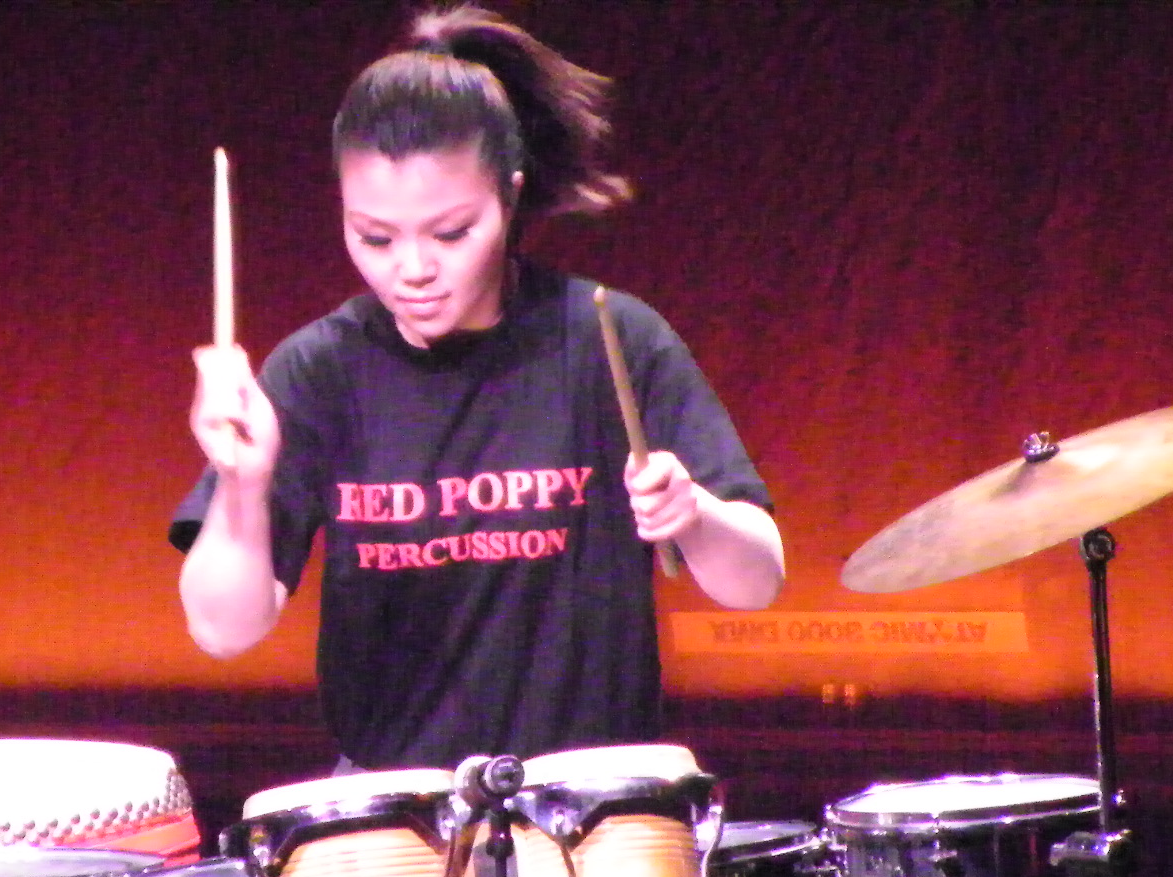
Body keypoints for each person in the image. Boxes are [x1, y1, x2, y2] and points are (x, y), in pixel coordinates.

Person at [170, 3, 785, 774]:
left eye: (451, 233)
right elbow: (222, 631)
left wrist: (694, 515)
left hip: (595, 793)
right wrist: (241, 484)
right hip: (396, 798)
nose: (413, 269)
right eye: (375, 237)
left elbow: (757, 583)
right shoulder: (317, 372)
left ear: (509, 197)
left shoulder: (609, 339)